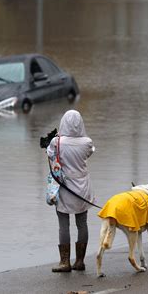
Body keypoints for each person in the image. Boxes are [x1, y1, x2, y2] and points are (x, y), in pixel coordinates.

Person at [46, 110, 95, 272]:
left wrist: (54, 140)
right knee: (82, 223)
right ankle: (80, 261)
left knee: (63, 225)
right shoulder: (87, 142)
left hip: (65, 187)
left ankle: (64, 262)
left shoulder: (56, 142)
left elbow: (51, 157)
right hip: (83, 188)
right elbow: (88, 154)